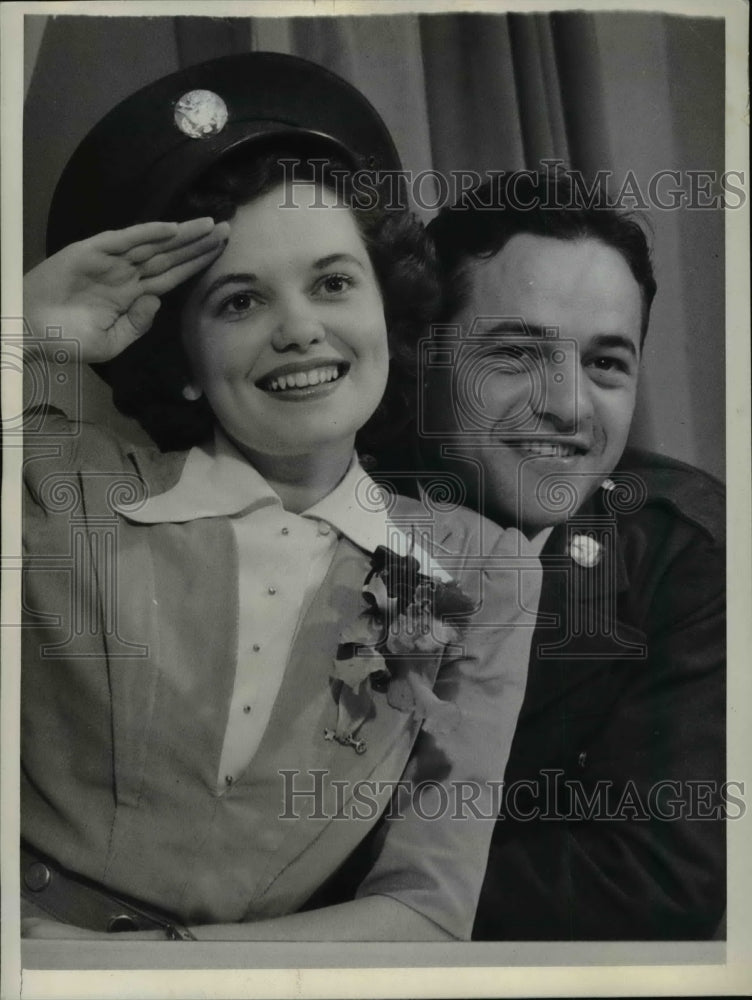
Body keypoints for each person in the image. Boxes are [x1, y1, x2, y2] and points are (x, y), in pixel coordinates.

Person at [20, 55, 541, 943]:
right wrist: (22, 328)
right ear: (185, 362)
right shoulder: (60, 485)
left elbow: (423, 912)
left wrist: (156, 971)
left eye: (334, 282)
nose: (297, 326)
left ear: (389, 309)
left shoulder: (481, 570)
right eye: (239, 301)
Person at [375, 170, 726, 940]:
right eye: (515, 354)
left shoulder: (683, 550)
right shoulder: (333, 504)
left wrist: (376, 907)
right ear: (421, 360)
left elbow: (659, 878)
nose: (567, 406)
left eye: (606, 363)